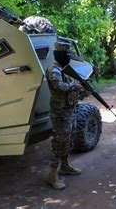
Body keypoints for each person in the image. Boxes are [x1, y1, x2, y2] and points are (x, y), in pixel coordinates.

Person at [46, 42, 83, 190]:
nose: (69, 58)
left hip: (69, 111)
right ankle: (52, 175)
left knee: (68, 139)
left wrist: (82, 90)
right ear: (60, 56)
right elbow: (59, 86)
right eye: (67, 55)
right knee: (59, 142)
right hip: (60, 113)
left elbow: (73, 87)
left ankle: (65, 166)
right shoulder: (54, 70)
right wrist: (76, 86)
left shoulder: (65, 69)